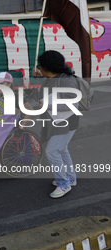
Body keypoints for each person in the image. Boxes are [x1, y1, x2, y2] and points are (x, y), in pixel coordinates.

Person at [33, 50, 79, 199]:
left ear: (47, 68)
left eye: (40, 66)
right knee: (61, 149)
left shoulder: (67, 80)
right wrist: (40, 76)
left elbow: (73, 105)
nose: (38, 68)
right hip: (57, 121)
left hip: (66, 123)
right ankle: (70, 179)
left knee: (52, 152)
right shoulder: (53, 77)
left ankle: (64, 184)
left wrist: (47, 105)